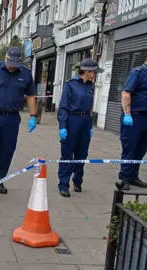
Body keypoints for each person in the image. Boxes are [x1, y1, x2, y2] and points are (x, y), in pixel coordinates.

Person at [0, 47, 37, 197]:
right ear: (6, 58)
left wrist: (32, 116)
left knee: (7, 151)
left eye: (15, 64)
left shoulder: (25, 73)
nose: (12, 66)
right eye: (10, 62)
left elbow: (30, 96)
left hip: (12, 118)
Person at [115, 49, 147, 191]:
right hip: (134, 118)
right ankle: (124, 178)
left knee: (141, 149)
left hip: (146, 118)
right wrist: (127, 114)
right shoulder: (137, 73)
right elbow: (126, 93)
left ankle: (133, 176)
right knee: (130, 148)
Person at [57, 59, 104, 197]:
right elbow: (63, 107)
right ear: (87, 71)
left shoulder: (90, 86)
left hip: (85, 120)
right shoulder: (70, 85)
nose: (96, 74)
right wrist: (62, 126)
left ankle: (77, 180)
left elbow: (89, 107)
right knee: (67, 153)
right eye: (94, 71)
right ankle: (63, 184)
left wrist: (89, 126)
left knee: (82, 153)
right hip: (72, 119)